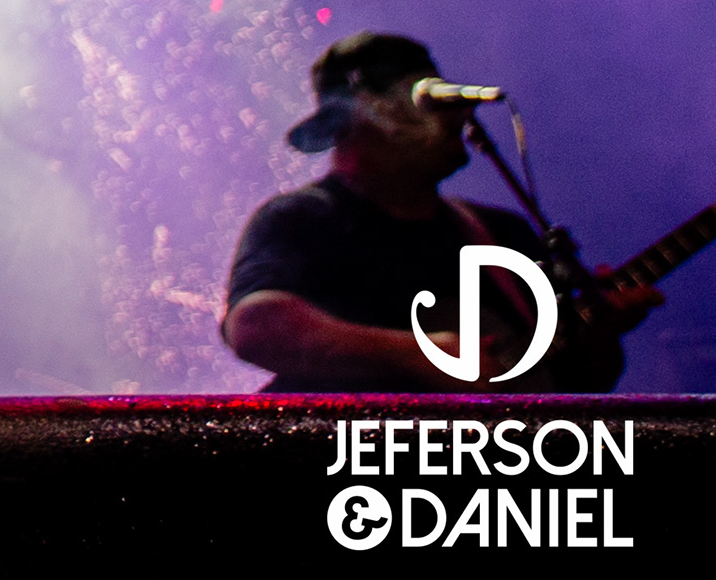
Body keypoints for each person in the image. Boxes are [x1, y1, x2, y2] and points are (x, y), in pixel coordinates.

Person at [223, 31, 658, 392]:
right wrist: (418, 352)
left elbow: (573, 385)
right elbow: (254, 326)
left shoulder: (502, 235)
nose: (460, 113)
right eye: (428, 101)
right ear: (364, 116)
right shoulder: (304, 219)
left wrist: (599, 334)